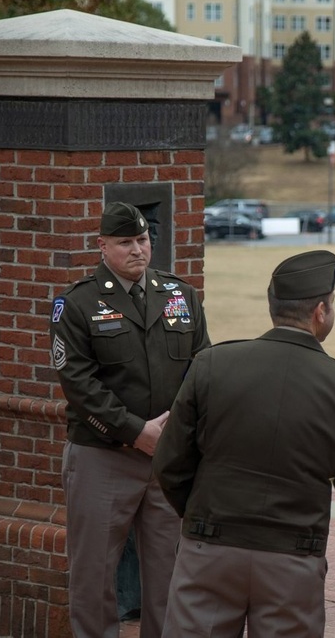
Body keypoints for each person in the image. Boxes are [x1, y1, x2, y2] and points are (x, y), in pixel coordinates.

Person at [152, 250, 335, 637]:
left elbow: (169, 464)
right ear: (320, 312)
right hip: (292, 558)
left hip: (210, 546)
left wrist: (199, 516)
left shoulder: (212, 364)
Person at [49, 201, 211, 637]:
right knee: (94, 576)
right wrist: (137, 432)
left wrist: (173, 431)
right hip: (104, 456)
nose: (137, 249)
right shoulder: (77, 303)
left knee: (170, 575)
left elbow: (202, 369)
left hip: (168, 460)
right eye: (125, 242)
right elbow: (79, 384)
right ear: (102, 245)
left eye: (142, 240)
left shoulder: (182, 295)